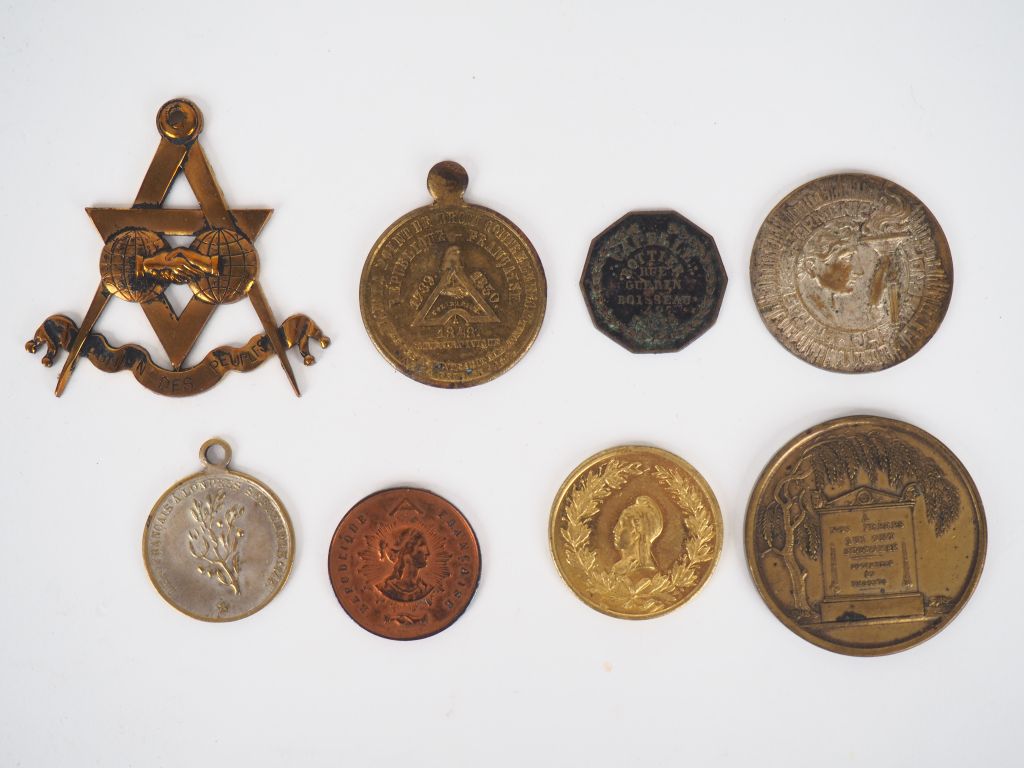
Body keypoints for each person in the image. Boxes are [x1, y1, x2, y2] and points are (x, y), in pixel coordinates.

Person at [612, 496, 664, 575]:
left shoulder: (646, 573)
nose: (614, 530)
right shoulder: (618, 568)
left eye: (621, 525)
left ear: (637, 533)